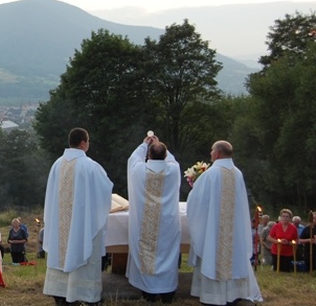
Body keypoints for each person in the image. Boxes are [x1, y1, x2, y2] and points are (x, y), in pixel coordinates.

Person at [42, 127, 113, 306]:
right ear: (83, 143)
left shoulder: (57, 164)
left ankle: (61, 295)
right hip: (82, 226)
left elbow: (50, 197)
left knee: (62, 253)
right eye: (88, 142)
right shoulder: (90, 166)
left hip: (60, 227)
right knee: (83, 254)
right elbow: (105, 191)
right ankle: (86, 296)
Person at [187, 140, 262, 305]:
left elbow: (195, 201)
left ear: (218, 154)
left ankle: (214, 296)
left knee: (213, 253)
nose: (210, 153)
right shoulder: (237, 173)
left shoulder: (210, 175)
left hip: (214, 230)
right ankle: (233, 293)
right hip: (233, 230)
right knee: (233, 255)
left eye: (212, 150)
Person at [126, 135, 181, 303]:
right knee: (167, 253)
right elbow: (171, 159)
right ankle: (167, 292)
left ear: (148, 156)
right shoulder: (173, 170)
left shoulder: (139, 170)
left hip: (145, 225)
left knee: (147, 254)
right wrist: (160, 146)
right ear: (165, 155)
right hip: (167, 224)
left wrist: (145, 144)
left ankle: (148, 292)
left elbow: (133, 158)